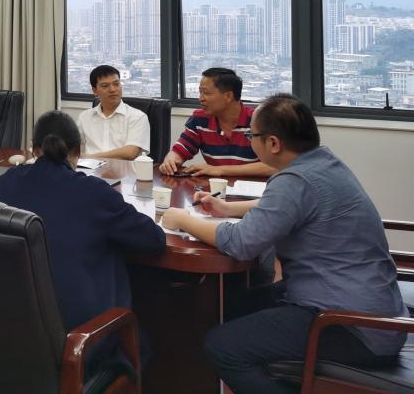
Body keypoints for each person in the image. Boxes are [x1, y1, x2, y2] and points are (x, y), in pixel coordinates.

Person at [162, 94, 408, 394]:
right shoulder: (322, 163)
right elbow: (287, 206)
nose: (250, 141)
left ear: (273, 143)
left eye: (252, 136)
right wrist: (226, 208)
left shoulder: (294, 181)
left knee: (222, 346)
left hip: (350, 326)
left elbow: (242, 243)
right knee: (229, 306)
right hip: (370, 309)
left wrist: (181, 219)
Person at [0, 111, 166, 335]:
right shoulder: (94, 192)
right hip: (83, 337)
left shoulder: (8, 182)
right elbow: (154, 240)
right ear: (79, 150)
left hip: (15, 328)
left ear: (34, 149)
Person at [158, 67, 274, 177]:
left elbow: (276, 166)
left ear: (228, 96)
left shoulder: (259, 120)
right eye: (200, 92)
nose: (201, 98)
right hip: (215, 188)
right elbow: (179, 151)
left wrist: (219, 170)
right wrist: (171, 161)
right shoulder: (199, 119)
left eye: (206, 93)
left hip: (255, 189)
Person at [76, 65, 150, 160]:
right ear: (95, 91)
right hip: (87, 168)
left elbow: (130, 153)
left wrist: (89, 157)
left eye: (116, 84)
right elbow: (74, 150)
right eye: (105, 86)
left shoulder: (137, 117)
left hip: (123, 169)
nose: (113, 89)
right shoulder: (84, 117)